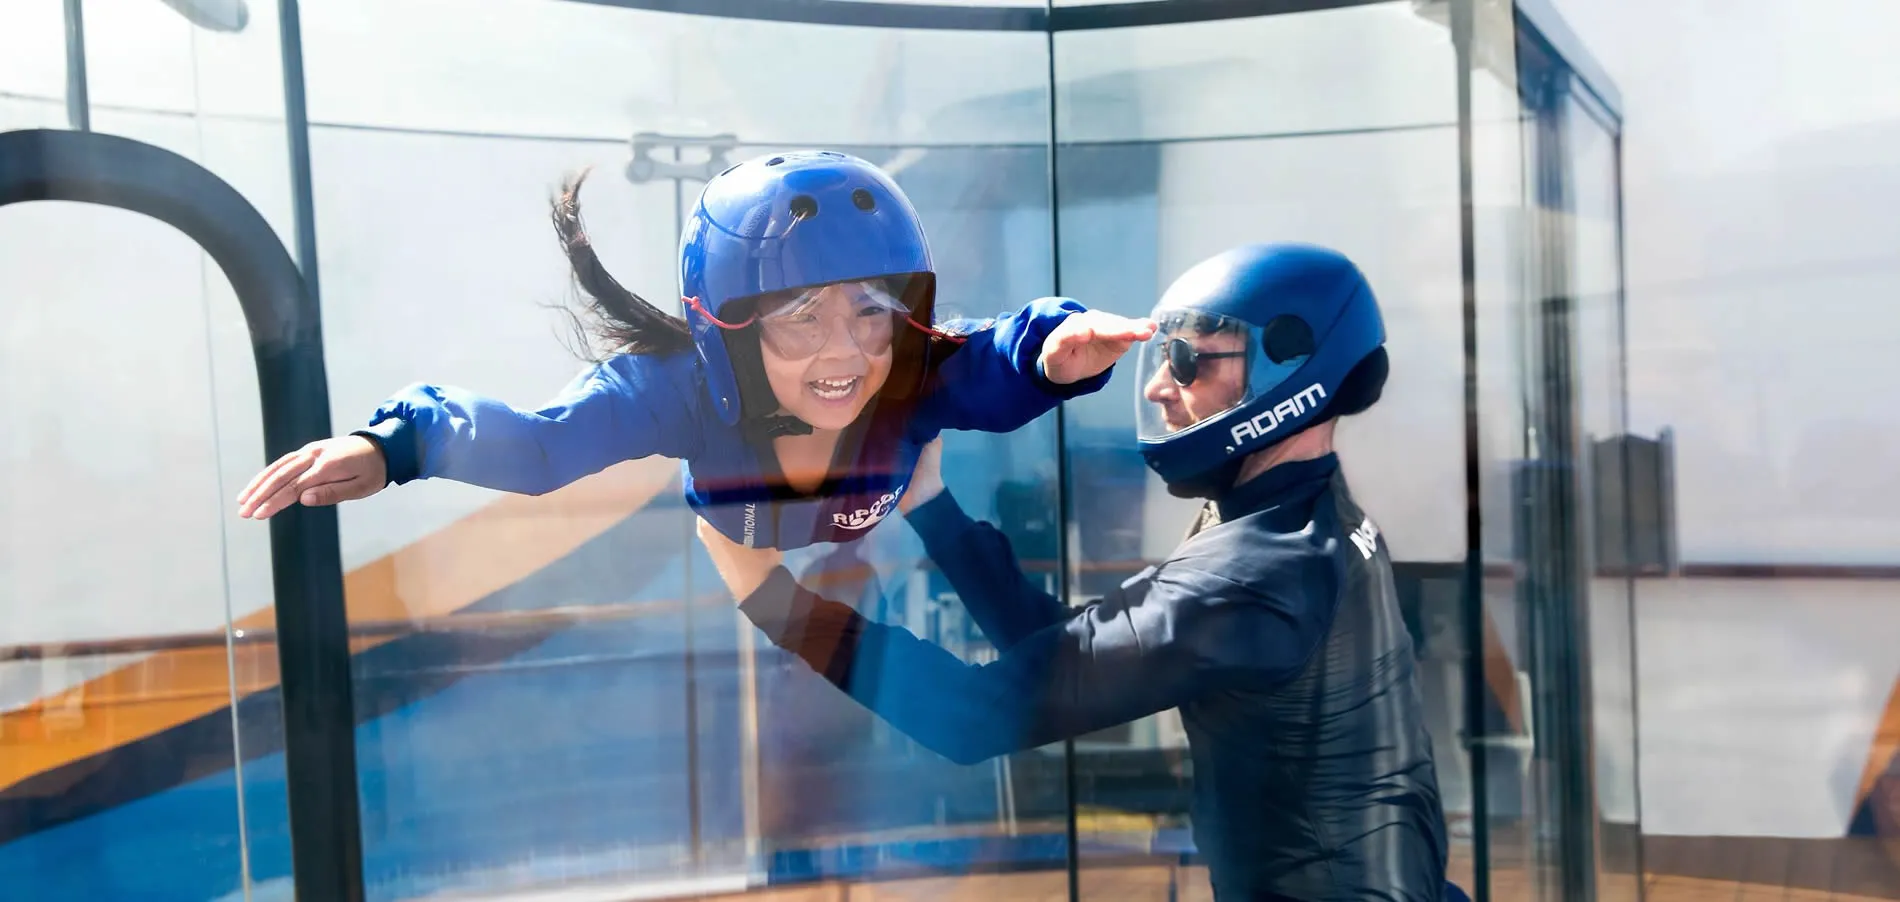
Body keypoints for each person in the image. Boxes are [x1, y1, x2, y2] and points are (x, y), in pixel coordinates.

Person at [696, 243, 1458, 902]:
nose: (1161, 386)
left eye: (1189, 360)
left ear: (1293, 370)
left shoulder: (1253, 572)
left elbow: (972, 716)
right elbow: (1071, 651)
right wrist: (933, 509)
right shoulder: (1313, 516)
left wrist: (778, 603)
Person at [233, 151, 1154, 552]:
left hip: (864, 521)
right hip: (742, 534)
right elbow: (542, 445)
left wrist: (1055, 352)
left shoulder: (908, 374)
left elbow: (991, 358)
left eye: (871, 311)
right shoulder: (676, 391)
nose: (846, 353)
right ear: (725, 331)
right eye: (800, 317)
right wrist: (395, 447)